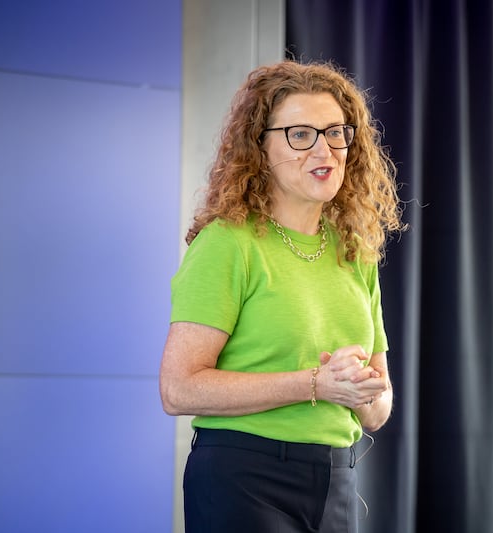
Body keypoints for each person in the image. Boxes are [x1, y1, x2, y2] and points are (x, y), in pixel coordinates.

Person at [159, 60, 405, 532]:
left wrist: (359, 389)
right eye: (300, 134)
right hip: (244, 477)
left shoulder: (355, 252)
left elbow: (378, 408)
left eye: (336, 133)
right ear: (260, 147)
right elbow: (178, 389)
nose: (325, 149)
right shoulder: (228, 244)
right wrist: (315, 382)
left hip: (337, 478)